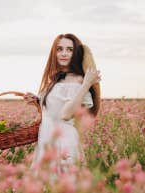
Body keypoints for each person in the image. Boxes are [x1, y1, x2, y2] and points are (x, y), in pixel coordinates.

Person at [24, 33, 101, 177]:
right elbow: (54, 111)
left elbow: (65, 114)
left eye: (69, 50)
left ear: (76, 53)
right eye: (59, 49)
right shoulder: (55, 79)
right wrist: (37, 101)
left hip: (64, 142)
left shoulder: (77, 80)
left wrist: (86, 84)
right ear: (54, 52)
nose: (64, 54)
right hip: (47, 139)